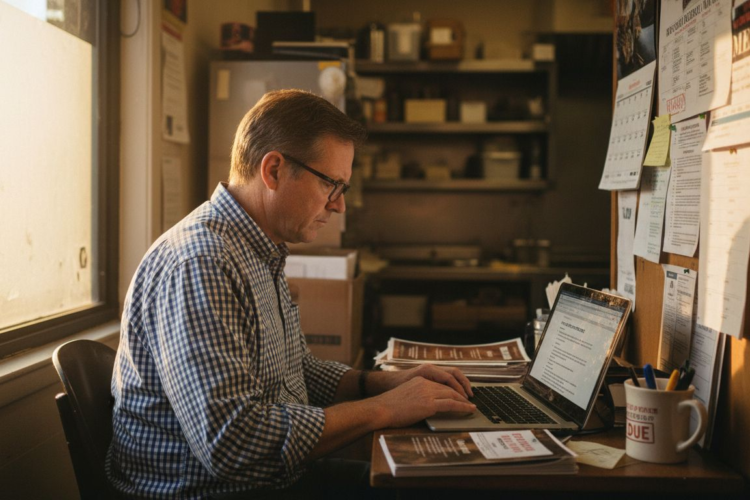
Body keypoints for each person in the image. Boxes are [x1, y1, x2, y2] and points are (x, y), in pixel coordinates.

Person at [107, 89, 476, 499]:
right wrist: (386, 409)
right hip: (213, 491)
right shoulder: (202, 263)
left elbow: (295, 371)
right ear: (274, 170)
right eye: (331, 185)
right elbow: (233, 444)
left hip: (272, 480)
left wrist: (383, 383)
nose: (339, 207)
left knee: (438, 478)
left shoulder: (258, 248)